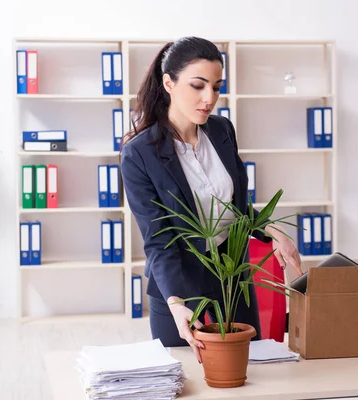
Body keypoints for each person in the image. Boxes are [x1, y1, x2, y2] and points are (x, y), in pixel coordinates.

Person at [119, 36, 303, 363]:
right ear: (169, 83)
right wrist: (177, 304)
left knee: (250, 377)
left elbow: (237, 208)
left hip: (233, 282)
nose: (209, 98)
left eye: (216, 88)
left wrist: (273, 230)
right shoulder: (139, 154)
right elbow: (159, 239)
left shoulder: (221, 131)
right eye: (198, 85)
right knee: (185, 383)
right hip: (178, 291)